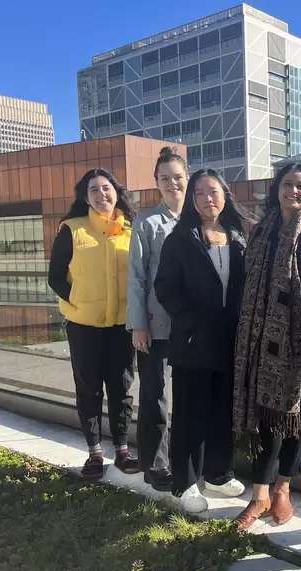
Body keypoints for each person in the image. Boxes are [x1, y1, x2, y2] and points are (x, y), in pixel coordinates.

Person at [232, 163, 301, 530]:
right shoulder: (263, 230)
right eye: (288, 184)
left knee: (294, 412)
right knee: (268, 413)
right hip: (260, 337)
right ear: (277, 189)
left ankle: (282, 488)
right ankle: (260, 493)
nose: (294, 191)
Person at [155, 169, 248, 513]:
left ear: (225, 195)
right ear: (192, 201)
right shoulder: (180, 239)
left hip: (229, 339)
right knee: (191, 413)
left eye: (214, 192)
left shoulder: (237, 236)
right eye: (200, 194)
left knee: (222, 410)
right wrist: (189, 320)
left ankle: (218, 474)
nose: (208, 199)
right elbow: (164, 286)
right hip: (193, 340)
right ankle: (185, 482)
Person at [48, 168, 140, 480]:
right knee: (89, 390)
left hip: (121, 326)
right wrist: (80, 300)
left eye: (106, 188)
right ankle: (95, 453)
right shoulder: (72, 229)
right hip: (83, 325)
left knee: (121, 388)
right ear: (84, 197)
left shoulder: (131, 230)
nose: (102, 195)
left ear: (117, 192)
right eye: (94, 190)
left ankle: (123, 451)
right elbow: (56, 277)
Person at [125, 147, 187, 491]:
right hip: (155, 324)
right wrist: (138, 324)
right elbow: (136, 276)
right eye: (165, 178)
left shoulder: (199, 218)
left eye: (177, 177)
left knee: (188, 398)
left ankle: (184, 459)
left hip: (190, 328)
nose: (172, 183)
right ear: (156, 183)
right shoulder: (147, 222)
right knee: (155, 397)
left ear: (186, 178)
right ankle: (155, 463)